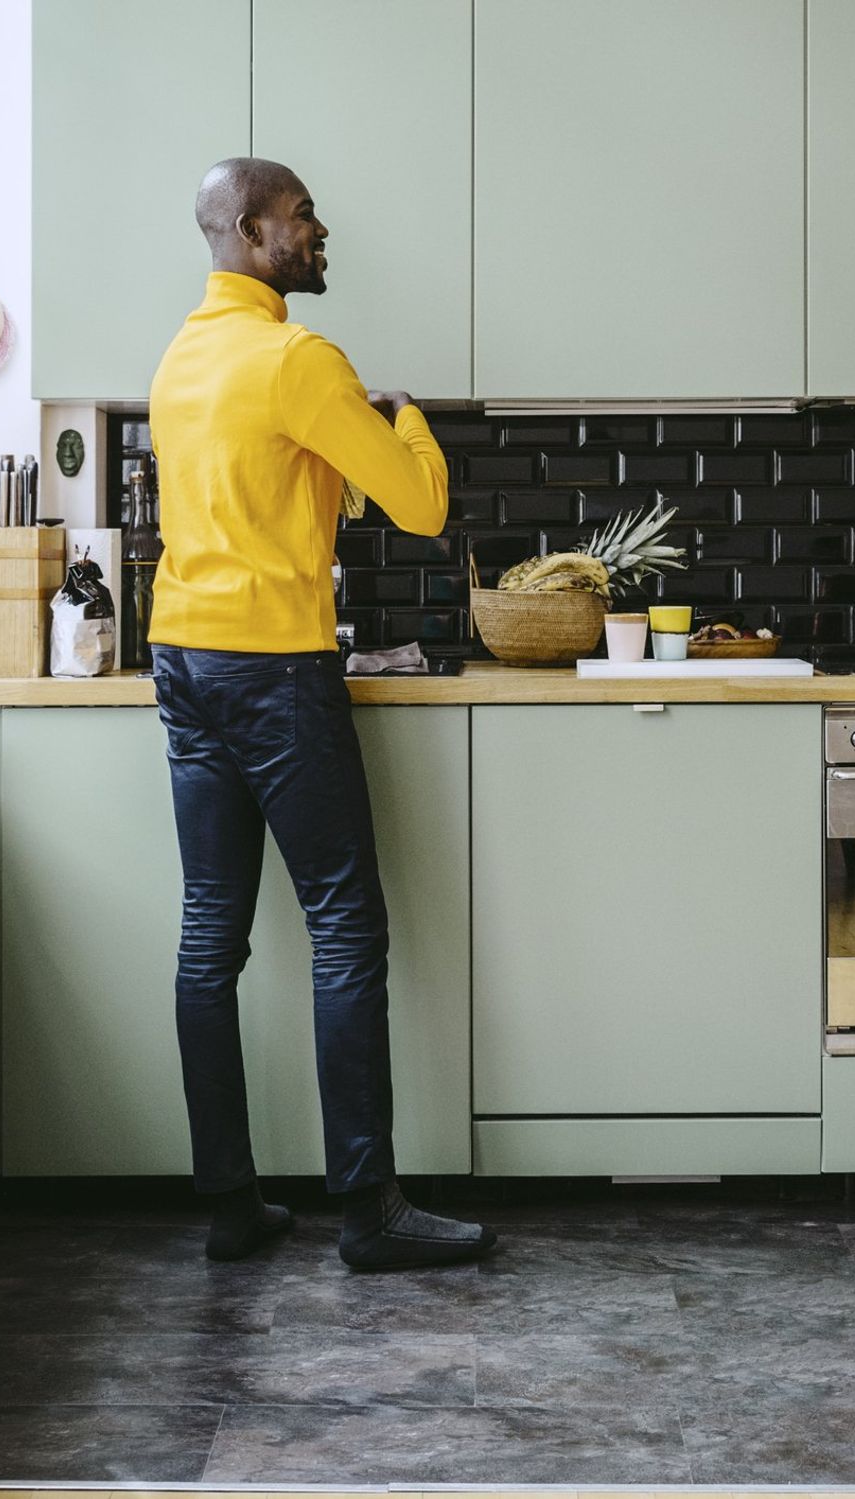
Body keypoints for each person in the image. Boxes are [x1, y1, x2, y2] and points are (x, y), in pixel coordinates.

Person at [148, 157, 496, 1269]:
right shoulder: (297, 357)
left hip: (181, 660)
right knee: (345, 923)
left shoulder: (181, 355)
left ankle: (232, 1203)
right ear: (252, 232)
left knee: (212, 934)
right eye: (302, 217)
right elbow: (424, 506)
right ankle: (368, 1210)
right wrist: (410, 421)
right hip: (270, 667)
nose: (320, 229)